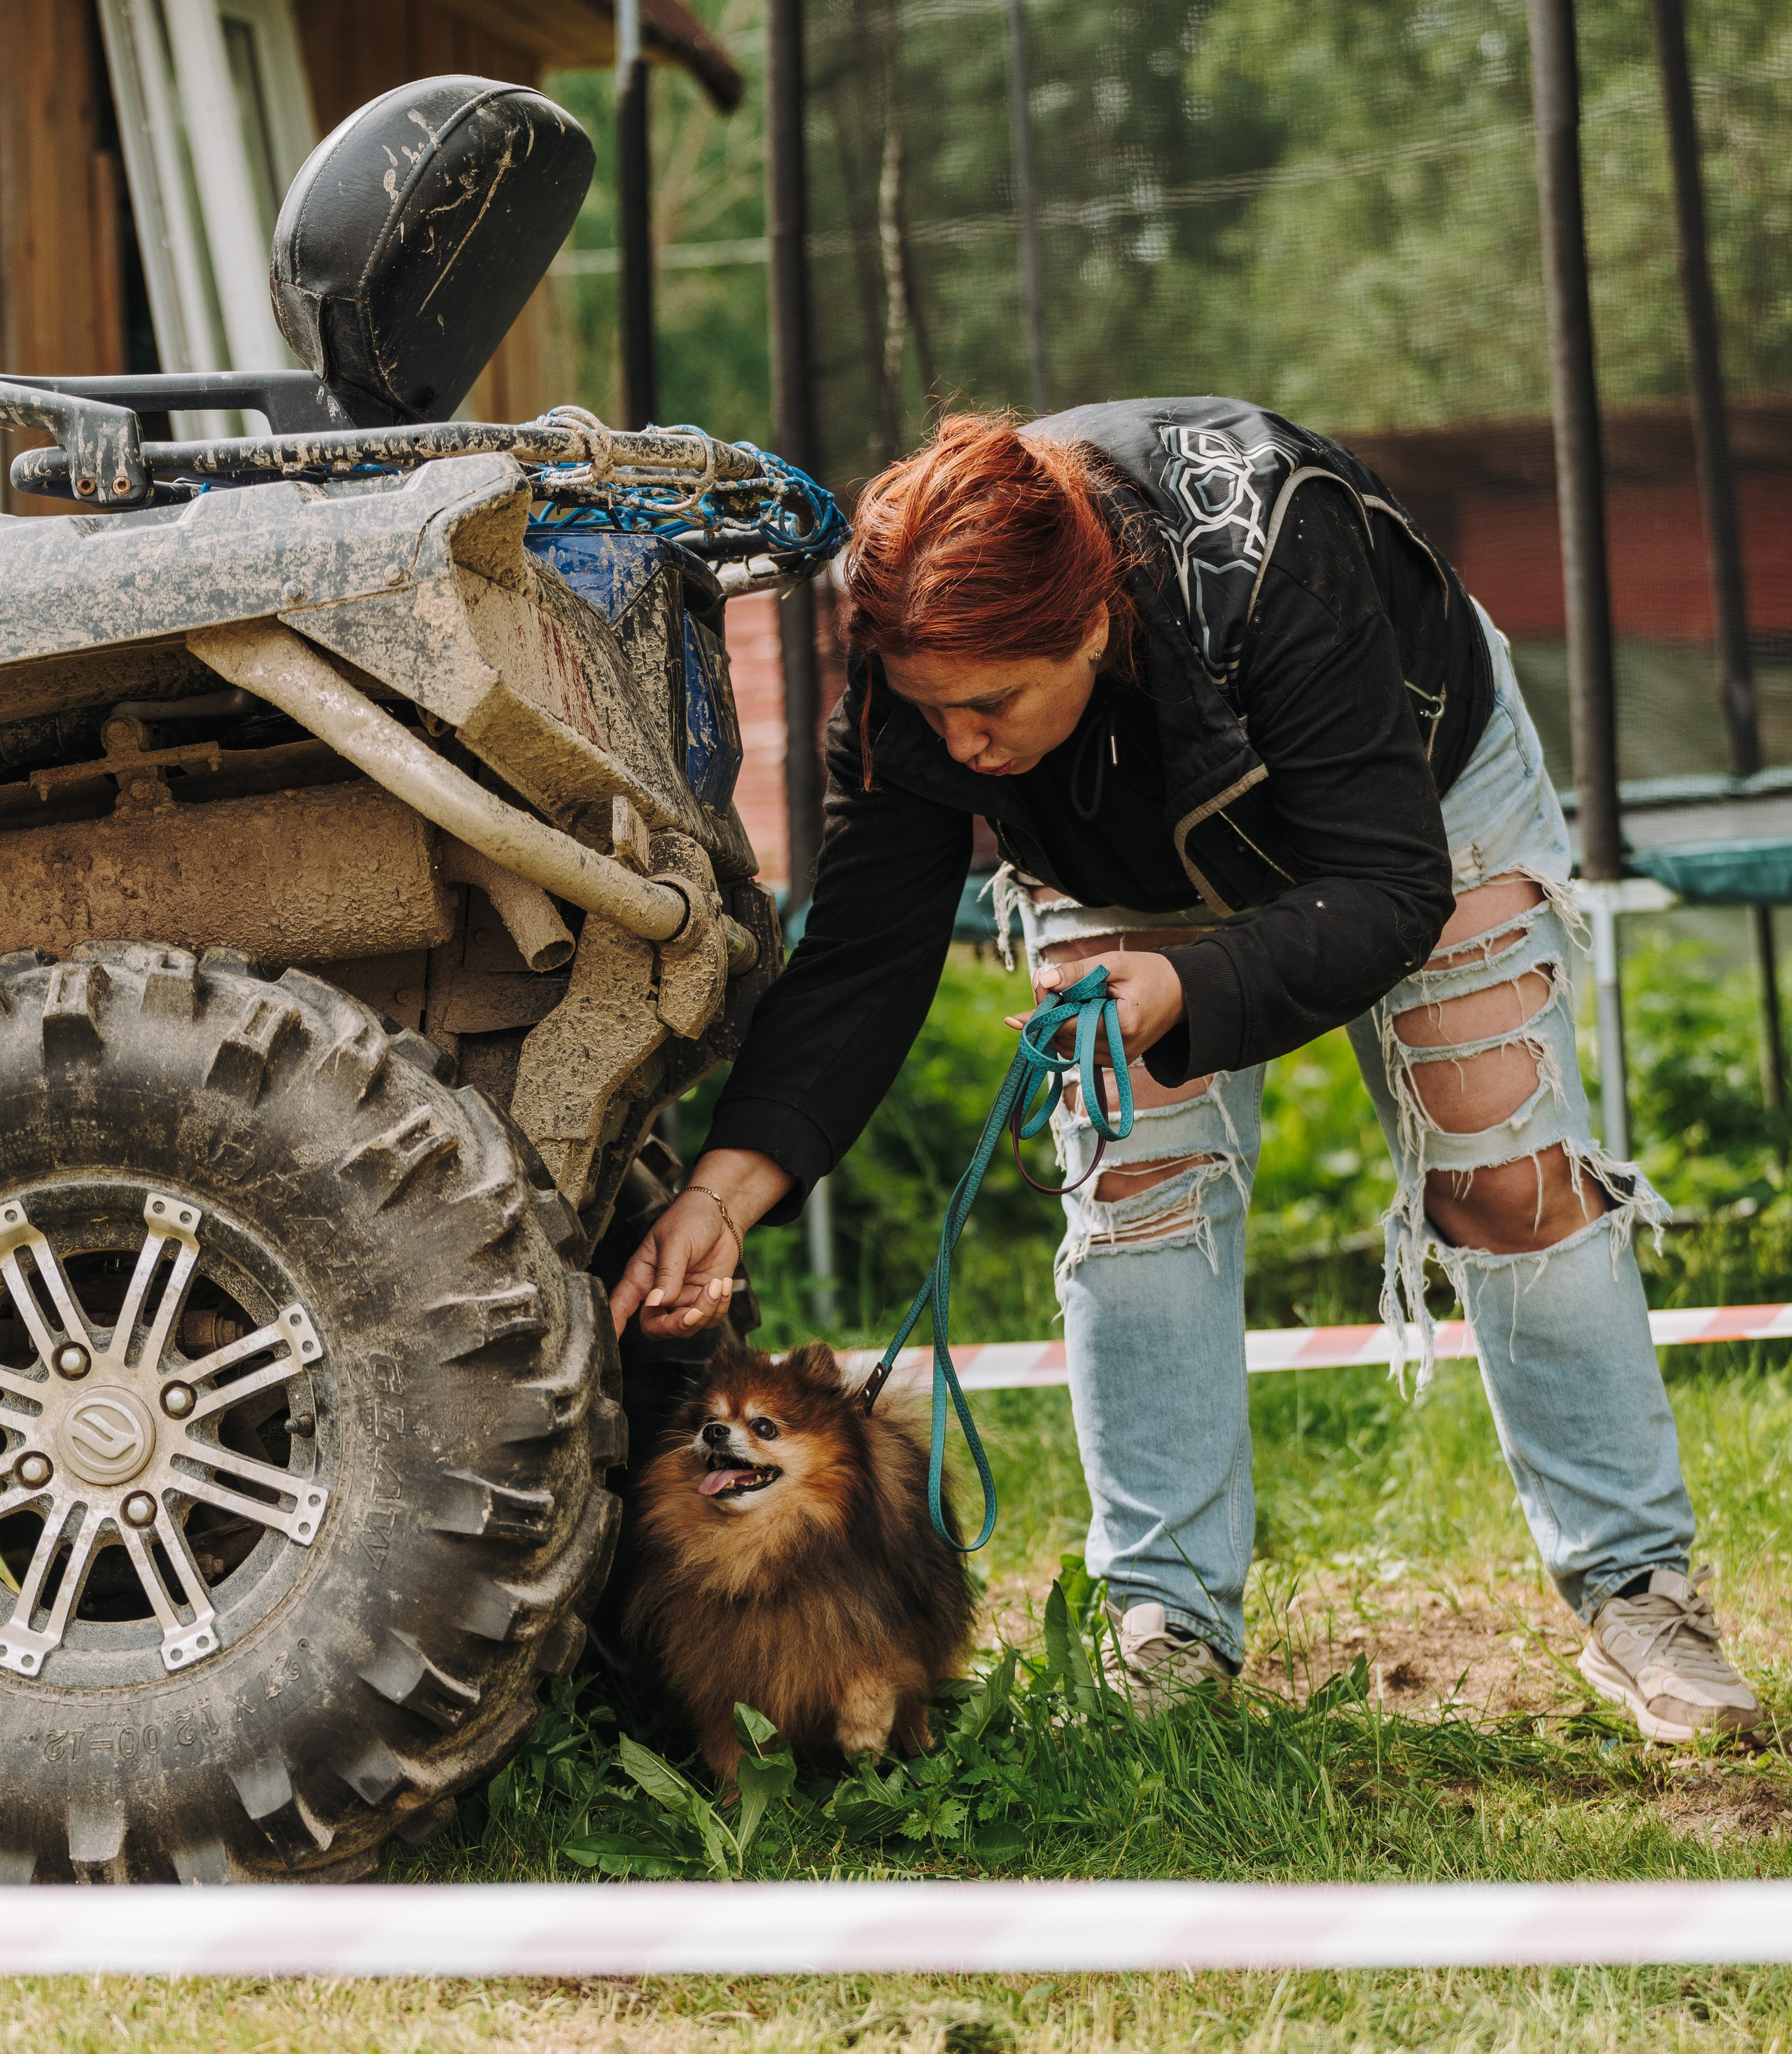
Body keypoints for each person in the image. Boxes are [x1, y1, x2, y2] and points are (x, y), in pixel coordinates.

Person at [611, 400, 1760, 1745]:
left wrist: (1187, 987)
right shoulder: (912, 685)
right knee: (1136, 1191)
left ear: (1093, 625)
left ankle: (1639, 1593)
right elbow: (865, 954)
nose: (963, 745)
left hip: (1408, 808)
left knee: (1502, 1172)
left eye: (992, 704)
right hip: (1116, 850)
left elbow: (1385, 888)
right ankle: (1167, 1623)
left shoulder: (1284, 561)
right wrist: (724, 1194)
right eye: (935, 710)